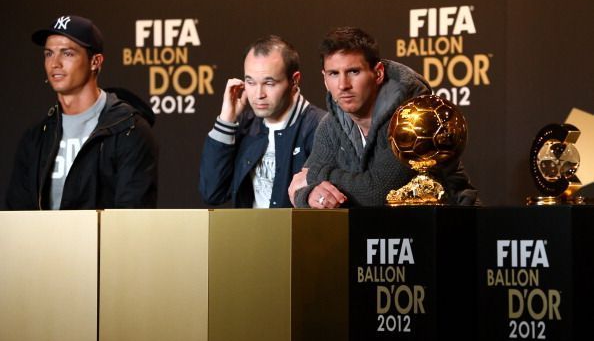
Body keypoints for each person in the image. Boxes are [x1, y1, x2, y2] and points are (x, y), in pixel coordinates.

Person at [289, 27, 478, 208]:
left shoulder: (411, 118)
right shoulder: (330, 125)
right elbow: (296, 189)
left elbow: (379, 194)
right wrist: (311, 194)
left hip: (449, 227)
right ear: (324, 79)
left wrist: (314, 175)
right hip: (381, 235)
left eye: (354, 72)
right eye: (333, 74)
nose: (343, 85)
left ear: (378, 73)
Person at [4, 15, 158, 210]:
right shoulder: (36, 137)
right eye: (49, 53)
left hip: (103, 241)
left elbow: (132, 219)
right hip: (44, 242)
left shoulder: (129, 130)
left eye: (67, 53)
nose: (55, 63)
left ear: (95, 61)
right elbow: (18, 217)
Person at [199, 35, 325, 208]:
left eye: (269, 83)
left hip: (296, 235)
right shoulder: (245, 124)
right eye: (250, 82)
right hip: (250, 234)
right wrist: (226, 121)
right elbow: (212, 193)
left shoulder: (321, 127)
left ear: (294, 80)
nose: (258, 94)